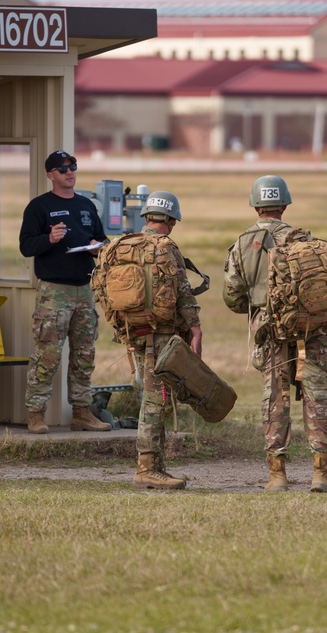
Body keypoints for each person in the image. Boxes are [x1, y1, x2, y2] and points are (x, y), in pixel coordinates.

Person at [223, 175, 327, 493]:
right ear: (285, 205)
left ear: (255, 206)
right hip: (309, 328)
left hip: (268, 331)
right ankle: (322, 474)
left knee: (276, 398)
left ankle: (277, 475)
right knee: (317, 397)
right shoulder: (305, 239)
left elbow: (232, 297)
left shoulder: (241, 244)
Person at [19, 150, 111, 434]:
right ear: (51, 175)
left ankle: (82, 412)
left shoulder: (85, 206)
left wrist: (99, 247)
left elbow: (102, 239)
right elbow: (26, 246)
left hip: (84, 290)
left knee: (84, 355)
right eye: (62, 169)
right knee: (47, 355)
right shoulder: (39, 207)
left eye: (73, 167)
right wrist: (49, 238)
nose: (69, 172)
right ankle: (36, 414)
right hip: (54, 292)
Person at [122, 191, 203, 489]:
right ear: (170, 220)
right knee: (157, 401)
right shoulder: (166, 247)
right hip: (162, 336)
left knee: (155, 398)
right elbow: (183, 292)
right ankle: (145, 468)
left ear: (146, 217)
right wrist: (195, 329)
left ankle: (157, 465)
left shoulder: (124, 245)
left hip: (135, 332)